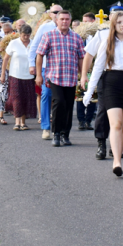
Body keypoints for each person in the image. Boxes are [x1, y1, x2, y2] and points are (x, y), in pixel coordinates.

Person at [83, 12, 123, 176]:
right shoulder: (106, 39)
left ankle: (118, 153)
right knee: (116, 123)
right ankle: (117, 162)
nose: (122, 25)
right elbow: (98, 65)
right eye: (119, 22)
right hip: (110, 82)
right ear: (113, 24)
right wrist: (89, 89)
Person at [81, 2, 123, 160]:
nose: (117, 17)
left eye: (121, 14)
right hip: (105, 77)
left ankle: (117, 145)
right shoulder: (102, 34)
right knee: (103, 110)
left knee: (122, 115)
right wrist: (84, 75)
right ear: (110, 16)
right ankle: (101, 142)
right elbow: (89, 55)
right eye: (114, 14)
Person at [36, 10, 84, 147]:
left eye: (67, 19)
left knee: (69, 106)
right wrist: (39, 75)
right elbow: (40, 55)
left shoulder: (76, 37)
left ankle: (65, 134)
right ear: (56, 20)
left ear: (70, 20)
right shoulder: (48, 36)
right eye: (62, 19)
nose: (64, 21)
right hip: (55, 77)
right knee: (59, 102)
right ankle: (56, 133)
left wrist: (83, 77)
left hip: (71, 77)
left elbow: (81, 57)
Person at [28, 4, 63, 140]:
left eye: (60, 12)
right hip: (45, 67)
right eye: (55, 12)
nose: (58, 14)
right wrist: (32, 65)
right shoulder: (45, 27)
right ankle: (46, 127)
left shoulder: (66, 28)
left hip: (61, 69)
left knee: (60, 98)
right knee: (46, 94)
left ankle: (58, 128)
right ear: (50, 14)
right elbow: (34, 47)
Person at [1, 24, 37, 131]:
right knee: (17, 98)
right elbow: (6, 59)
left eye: (27, 35)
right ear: (20, 34)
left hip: (29, 76)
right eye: (23, 35)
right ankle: (17, 122)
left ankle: (23, 122)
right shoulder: (14, 43)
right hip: (15, 75)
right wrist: (3, 73)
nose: (25, 37)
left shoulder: (33, 44)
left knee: (26, 98)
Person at [76, 12, 97, 130]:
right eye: (83, 21)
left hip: (94, 69)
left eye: (87, 21)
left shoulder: (97, 35)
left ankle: (88, 120)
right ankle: (81, 120)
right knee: (80, 95)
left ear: (93, 22)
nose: (84, 24)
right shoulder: (79, 36)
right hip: (81, 69)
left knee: (93, 96)